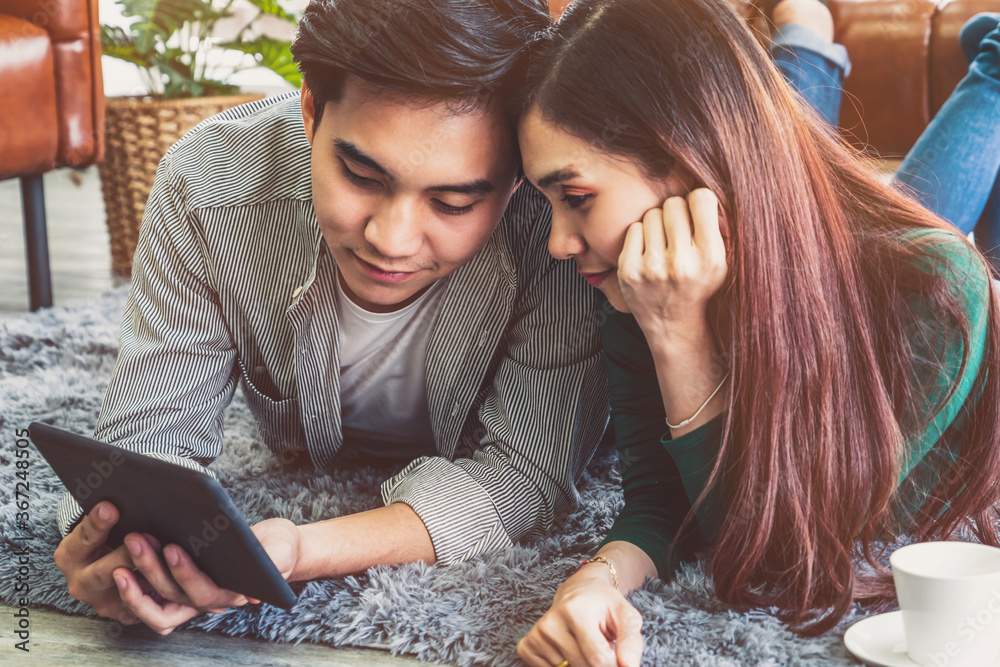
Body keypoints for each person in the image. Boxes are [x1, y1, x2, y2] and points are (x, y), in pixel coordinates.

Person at [52, 0, 610, 636]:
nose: (392, 239)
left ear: (515, 178)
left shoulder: (556, 228)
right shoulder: (208, 186)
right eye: (360, 174)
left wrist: (298, 549)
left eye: (453, 202)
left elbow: (522, 477)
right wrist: (117, 538)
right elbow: (146, 435)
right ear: (311, 108)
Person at [515, 0, 1000, 663]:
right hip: (805, 238)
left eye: (575, 197)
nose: (556, 243)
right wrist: (590, 584)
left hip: (911, 290)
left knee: (925, 229)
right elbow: (662, 502)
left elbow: (779, 563)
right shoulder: (629, 280)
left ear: (689, 162)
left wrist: (680, 338)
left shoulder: (933, 302)